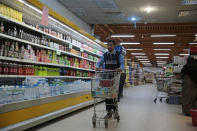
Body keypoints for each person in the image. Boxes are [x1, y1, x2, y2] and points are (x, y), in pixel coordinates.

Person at [96, 39, 125, 118]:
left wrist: (120, 68)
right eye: (108, 45)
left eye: (111, 45)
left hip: (116, 77)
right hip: (107, 77)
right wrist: (97, 67)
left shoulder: (119, 55)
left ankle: (115, 110)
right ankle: (109, 112)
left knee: (113, 94)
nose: (109, 46)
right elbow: (99, 62)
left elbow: (122, 64)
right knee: (107, 94)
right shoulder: (105, 55)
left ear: (114, 46)